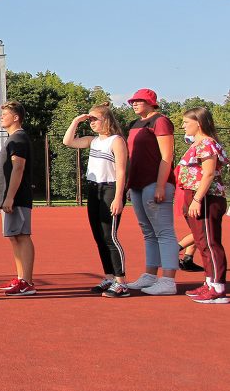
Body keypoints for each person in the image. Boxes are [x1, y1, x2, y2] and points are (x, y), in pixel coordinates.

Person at [62, 103, 130, 297]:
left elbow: (122, 171)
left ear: (106, 120)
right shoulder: (93, 141)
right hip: (94, 189)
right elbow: (68, 141)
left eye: (95, 119)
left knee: (110, 236)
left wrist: (119, 197)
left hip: (110, 189)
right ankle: (109, 277)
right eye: (89, 120)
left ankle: (121, 282)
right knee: (99, 237)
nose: (91, 123)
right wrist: (76, 120)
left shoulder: (116, 141)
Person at [124, 89, 179, 295]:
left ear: (151, 102)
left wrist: (160, 184)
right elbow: (132, 158)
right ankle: (150, 275)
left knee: (163, 231)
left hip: (154, 183)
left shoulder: (161, 121)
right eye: (133, 101)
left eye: (139, 101)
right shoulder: (135, 124)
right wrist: (130, 184)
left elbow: (167, 156)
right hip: (137, 184)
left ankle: (168, 280)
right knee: (148, 232)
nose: (134, 104)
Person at [175, 107, 228, 303]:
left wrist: (197, 199)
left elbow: (208, 173)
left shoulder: (206, 143)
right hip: (197, 195)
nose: (183, 126)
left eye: (186, 122)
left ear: (198, 122)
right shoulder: (199, 143)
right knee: (201, 242)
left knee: (209, 243)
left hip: (206, 197)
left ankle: (218, 288)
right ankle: (209, 282)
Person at [0, 101, 37, 296]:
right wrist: (0, 199)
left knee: (22, 236)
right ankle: (21, 278)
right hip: (9, 198)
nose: (1, 117)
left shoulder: (18, 139)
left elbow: (18, 168)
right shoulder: (12, 139)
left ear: (16, 117)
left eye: (5, 114)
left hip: (17, 198)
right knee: (14, 237)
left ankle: (27, 281)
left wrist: (10, 197)